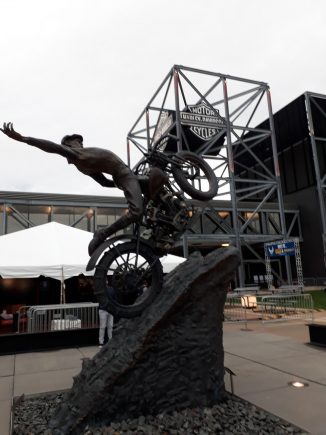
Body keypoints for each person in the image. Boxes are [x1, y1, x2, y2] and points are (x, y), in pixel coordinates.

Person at [0, 122, 143, 255]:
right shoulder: (79, 156)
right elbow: (51, 147)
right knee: (137, 212)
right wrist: (23, 138)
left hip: (124, 178)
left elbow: (104, 183)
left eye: (80, 141)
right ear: (67, 146)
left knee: (148, 203)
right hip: (124, 175)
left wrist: (125, 185)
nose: (80, 142)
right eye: (75, 140)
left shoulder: (83, 164)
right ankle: (104, 233)